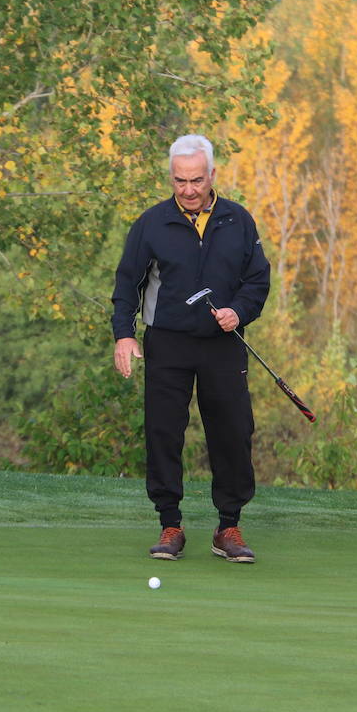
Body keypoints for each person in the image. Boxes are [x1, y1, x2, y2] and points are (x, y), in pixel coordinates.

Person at [111, 134, 271, 563]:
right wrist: (124, 335)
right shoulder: (152, 223)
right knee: (163, 432)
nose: (188, 189)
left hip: (223, 344)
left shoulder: (238, 220)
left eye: (196, 180)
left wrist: (238, 311)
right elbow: (127, 283)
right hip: (167, 342)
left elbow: (257, 280)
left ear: (212, 175)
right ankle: (170, 524)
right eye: (180, 181)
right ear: (171, 178)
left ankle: (228, 526)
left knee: (233, 432)